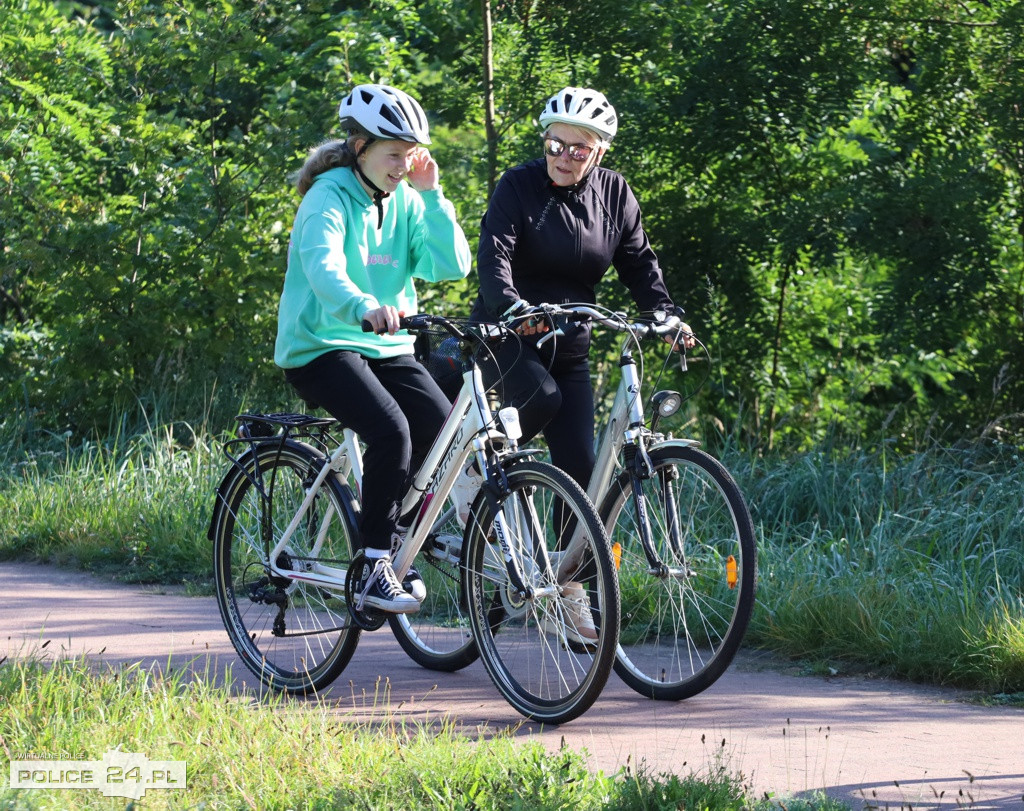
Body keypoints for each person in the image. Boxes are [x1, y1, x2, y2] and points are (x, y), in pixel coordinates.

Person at [274, 84, 471, 613]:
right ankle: (371, 564)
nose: (404, 166)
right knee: (391, 430)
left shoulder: (407, 198)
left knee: (441, 428)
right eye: (394, 155)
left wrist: (433, 195)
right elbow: (323, 267)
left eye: (411, 156)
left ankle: (403, 535)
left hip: (386, 343)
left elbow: (450, 265)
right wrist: (362, 303)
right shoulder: (327, 196)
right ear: (360, 146)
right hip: (321, 344)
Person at [469, 86, 696, 494]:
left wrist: (664, 314)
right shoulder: (518, 186)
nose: (563, 158)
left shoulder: (614, 194)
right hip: (508, 336)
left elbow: (638, 262)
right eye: (555, 144)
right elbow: (493, 256)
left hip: (570, 345)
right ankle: (479, 475)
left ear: (600, 153)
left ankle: (573, 560)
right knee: (544, 399)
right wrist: (512, 306)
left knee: (581, 473)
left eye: (579, 150)